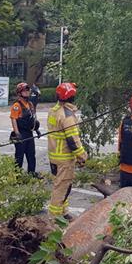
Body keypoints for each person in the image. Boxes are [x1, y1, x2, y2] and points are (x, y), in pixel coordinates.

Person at [46, 82, 88, 217]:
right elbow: (72, 141)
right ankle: (54, 219)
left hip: (54, 156)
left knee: (63, 186)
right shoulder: (67, 115)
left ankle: (64, 213)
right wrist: (82, 156)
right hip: (64, 158)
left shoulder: (53, 111)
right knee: (61, 188)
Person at [10, 82, 37, 174]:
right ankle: (17, 176)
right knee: (19, 156)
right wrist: (17, 133)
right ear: (19, 93)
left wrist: (36, 130)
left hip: (29, 133)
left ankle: (31, 173)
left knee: (31, 154)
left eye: (27, 90)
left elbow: (32, 119)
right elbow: (14, 119)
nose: (27, 92)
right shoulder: (17, 106)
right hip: (21, 133)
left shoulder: (30, 104)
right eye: (24, 91)